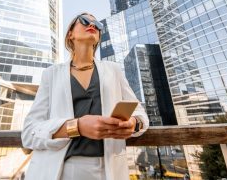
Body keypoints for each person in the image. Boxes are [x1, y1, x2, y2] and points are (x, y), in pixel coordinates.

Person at [22, 12, 149, 180]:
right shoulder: (51, 74)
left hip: (108, 170)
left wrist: (133, 123)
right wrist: (77, 126)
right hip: (58, 171)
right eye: (84, 20)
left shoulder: (113, 70)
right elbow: (29, 133)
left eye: (96, 23)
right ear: (70, 33)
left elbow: (140, 114)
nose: (92, 24)